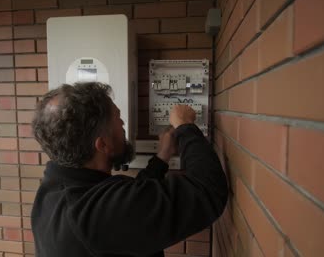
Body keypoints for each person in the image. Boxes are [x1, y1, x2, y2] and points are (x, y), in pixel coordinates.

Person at [31, 82, 228, 257]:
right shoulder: (92, 213)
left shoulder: (53, 191)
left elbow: (130, 201)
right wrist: (185, 126)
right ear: (103, 145)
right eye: (118, 119)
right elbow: (208, 189)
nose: (123, 124)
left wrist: (162, 157)